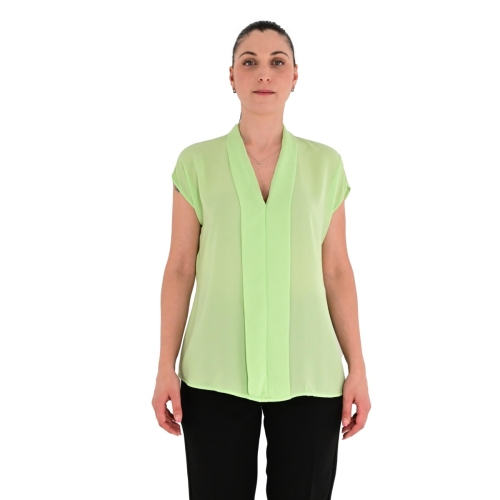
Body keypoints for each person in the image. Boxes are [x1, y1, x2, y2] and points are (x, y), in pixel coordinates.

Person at [152, 20, 371, 500]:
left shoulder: (325, 165)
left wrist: (357, 367)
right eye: (249, 62)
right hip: (214, 372)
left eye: (277, 62)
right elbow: (180, 267)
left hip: (310, 374)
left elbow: (337, 271)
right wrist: (165, 365)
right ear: (231, 76)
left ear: (295, 76)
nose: (264, 73)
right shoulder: (196, 163)